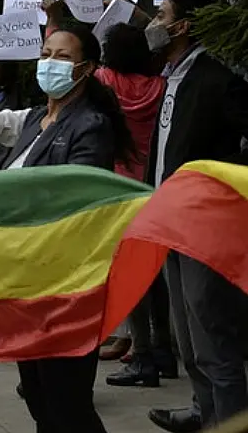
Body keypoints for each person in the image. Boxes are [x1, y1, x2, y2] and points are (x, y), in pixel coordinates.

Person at [0, 24, 138, 433]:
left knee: (67, 402)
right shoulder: (38, 117)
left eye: (61, 56)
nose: (50, 63)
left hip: (64, 282)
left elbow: (72, 198)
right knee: (39, 394)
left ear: (84, 68)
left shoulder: (91, 125)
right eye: (46, 53)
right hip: (27, 278)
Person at [143, 0, 248, 433]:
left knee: (212, 337)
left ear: (182, 26)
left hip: (203, 226)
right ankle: (204, 413)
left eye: (161, 14)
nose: (153, 23)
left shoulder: (216, 78)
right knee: (187, 335)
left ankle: (229, 420)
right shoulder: (173, 74)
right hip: (169, 221)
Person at [90, 23, 175, 386]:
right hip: (154, 185)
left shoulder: (104, 80)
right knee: (157, 276)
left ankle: (141, 355)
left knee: (131, 275)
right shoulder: (161, 87)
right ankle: (164, 350)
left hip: (118, 188)